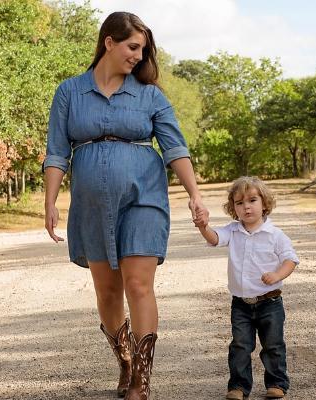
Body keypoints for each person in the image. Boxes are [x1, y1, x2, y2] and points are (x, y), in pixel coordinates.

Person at [42, 11, 208, 400]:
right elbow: (55, 152)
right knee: (107, 291)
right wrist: (50, 201)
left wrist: (195, 194)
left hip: (144, 197)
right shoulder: (69, 92)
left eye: (143, 50)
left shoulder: (150, 95)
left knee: (137, 284)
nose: (138, 56)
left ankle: (142, 381)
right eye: (133, 47)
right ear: (109, 42)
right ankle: (125, 360)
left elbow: (175, 147)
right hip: (91, 203)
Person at [196, 176, 298, 400]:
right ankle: (239, 387)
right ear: (233, 208)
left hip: (270, 302)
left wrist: (277, 274)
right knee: (240, 346)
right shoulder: (232, 231)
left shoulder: (275, 235)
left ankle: (277, 383)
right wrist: (204, 226)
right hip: (241, 304)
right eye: (239, 203)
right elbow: (214, 238)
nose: (246, 207)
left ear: (264, 203)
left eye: (252, 200)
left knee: (273, 345)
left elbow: (291, 260)